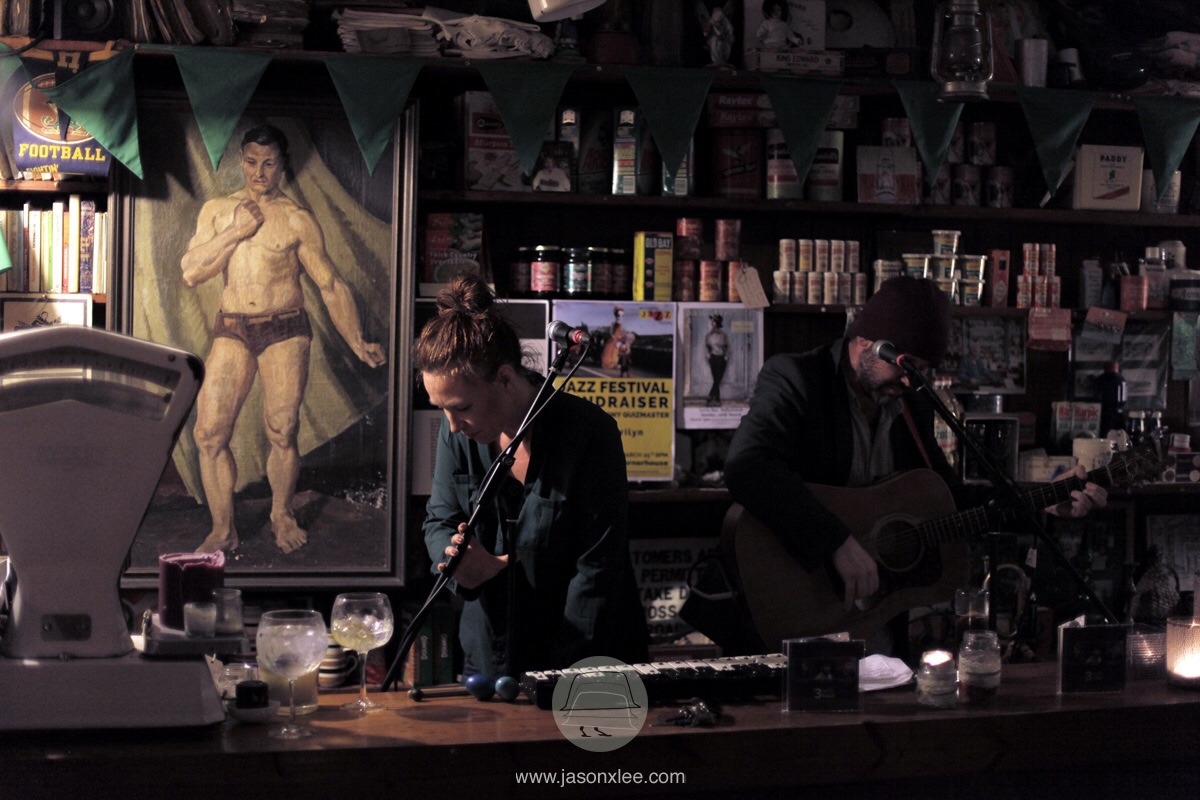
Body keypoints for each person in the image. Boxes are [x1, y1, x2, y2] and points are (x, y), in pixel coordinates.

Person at [723, 276, 1107, 653]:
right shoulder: (798, 378)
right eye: (906, 365)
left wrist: (1042, 502)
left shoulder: (909, 403)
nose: (910, 381)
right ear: (866, 340)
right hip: (796, 601)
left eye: (921, 369)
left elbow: (952, 504)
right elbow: (747, 465)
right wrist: (835, 543)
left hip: (873, 626)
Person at [417, 275, 648, 680]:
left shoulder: (588, 434)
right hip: (488, 658)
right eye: (442, 410)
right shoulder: (458, 431)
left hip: (581, 660)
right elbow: (439, 519)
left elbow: (596, 572)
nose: (452, 426)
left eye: (462, 408)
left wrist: (558, 679)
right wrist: (457, 563)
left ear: (506, 379)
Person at [182, 124, 387, 555]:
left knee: (281, 428)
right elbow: (191, 272)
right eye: (252, 162)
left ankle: (281, 514)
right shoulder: (218, 211)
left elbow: (329, 283)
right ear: (241, 161)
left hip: (285, 329)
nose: (259, 173)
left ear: (282, 166)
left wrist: (356, 340)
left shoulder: (296, 218)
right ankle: (223, 530)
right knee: (209, 433)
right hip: (233, 327)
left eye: (269, 164)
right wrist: (236, 231)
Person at [704, 313, 729, 406]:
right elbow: (707, 346)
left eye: (713, 321)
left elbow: (726, 347)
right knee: (716, 379)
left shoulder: (723, 335)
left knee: (718, 379)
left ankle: (711, 396)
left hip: (722, 358)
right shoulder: (708, 335)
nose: (712, 322)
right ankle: (717, 399)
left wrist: (726, 356)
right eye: (711, 321)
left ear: (717, 322)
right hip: (713, 358)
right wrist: (708, 355)